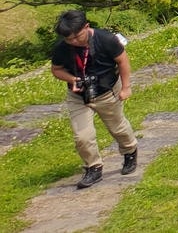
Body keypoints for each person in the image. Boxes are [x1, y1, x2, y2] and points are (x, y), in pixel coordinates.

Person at [50, 10, 138, 190]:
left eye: (77, 37)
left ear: (86, 27)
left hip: (107, 91)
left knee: (118, 127)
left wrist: (126, 87)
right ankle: (93, 167)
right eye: (69, 39)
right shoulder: (62, 48)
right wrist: (72, 79)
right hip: (78, 96)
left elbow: (122, 61)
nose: (73, 41)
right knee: (82, 136)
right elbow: (56, 69)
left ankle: (130, 151)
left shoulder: (105, 39)